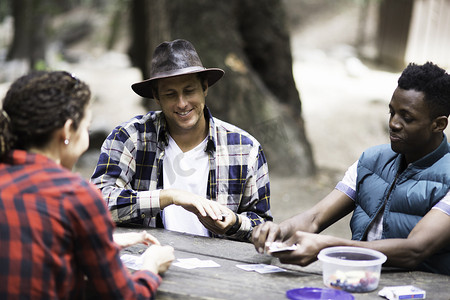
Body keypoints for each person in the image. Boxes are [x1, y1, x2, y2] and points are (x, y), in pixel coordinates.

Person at [252, 62, 450, 275]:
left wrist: (328, 246)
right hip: (358, 280)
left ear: (438, 124)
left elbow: (415, 249)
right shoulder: (371, 161)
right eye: (391, 112)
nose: (393, 123)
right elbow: (315, 218)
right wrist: (279, 231)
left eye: (407, 117)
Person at [0, 71, 175, 299]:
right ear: (67, 131)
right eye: (86, 128)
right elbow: (126, 296)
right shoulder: (75, 195)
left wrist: (102, 242)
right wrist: (151, 265)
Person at [90, 39, 272, 242]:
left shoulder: (245, 148)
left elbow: (263, 225)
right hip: (150, 259)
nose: (182, 103)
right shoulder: (130, 138)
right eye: (170, 94)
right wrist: (168, 197)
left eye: (189, 91)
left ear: (204, 88)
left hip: (221, 269)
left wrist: (234, 223)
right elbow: (95, 205)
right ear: (156, 97)